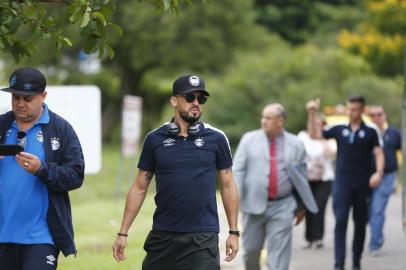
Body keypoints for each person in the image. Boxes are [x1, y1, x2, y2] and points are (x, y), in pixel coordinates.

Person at [112, 75, 239, 270]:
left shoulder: (216, 138)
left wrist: (233, 231)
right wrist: (123, 232)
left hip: (202, 238)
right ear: (174, 100)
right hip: (163, 235)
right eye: (190, 97)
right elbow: (139, 186)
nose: (196, 103)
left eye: (201, 99)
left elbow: (228, 185)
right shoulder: (154, 139)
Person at [0, 67, 85, 269]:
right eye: (16, 98)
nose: (20, 104)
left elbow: (75, 175)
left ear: (43, 96)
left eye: (27, 99)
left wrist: (42, 169)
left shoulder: (60, 129)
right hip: (3, 233)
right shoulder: (1, 125)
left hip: (41, 236)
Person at [233, 103, 318, 270]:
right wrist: (235, 198)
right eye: (263, 117)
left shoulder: (296, 144)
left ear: (280, 121)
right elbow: (238, 171)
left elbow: (301, 177)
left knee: (278, 255)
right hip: (252, 204)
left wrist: (301, 206)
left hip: (283, 206)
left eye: (268, 118)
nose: (263, 121)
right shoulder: (248, 140)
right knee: (251, 250)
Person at [307, 96, 384, 270]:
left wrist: (378, 173)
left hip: (362, 186)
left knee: (360, 224)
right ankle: (339, 264)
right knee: (340, 221)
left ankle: (356, 260)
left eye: (355, 109)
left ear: (362, 110)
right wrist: (312, 114)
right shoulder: (340, 129)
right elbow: (315, 134)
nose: (351, 112)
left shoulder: (371, 131)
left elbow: (379, 153)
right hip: (342, 185)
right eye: (349, 109)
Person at [367, 105, 401, 256]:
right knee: (369, 212)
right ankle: (377, 234)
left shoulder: (393, 133)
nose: (376, 117)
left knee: (377, 209)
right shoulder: (367, 132)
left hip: (387, 176)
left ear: (384, 115)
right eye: (372, 115)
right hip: (367, 177)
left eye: (378, 114)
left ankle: (374, 244)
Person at [298, 113, 335, 249]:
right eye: (315, 124)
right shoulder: (303, 136)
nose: (318, 126)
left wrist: (322, 138)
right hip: (307, 179)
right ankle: (309, 238)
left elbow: (330, 154)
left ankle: (318, 237)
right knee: (307, 208)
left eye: (321, 124)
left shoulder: (329, 138)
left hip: (324, 178)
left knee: (319, 207)